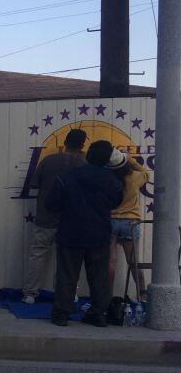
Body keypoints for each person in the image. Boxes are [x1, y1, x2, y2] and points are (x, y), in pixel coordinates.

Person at [44, 140, 123, 327]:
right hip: (99, 234)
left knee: (67, 275)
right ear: (107, 159)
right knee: (99, 278)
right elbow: (116, 202)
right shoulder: (112, 181)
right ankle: (98, 314)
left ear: (88, 155)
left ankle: (62, 314)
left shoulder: (68, 177)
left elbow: (52, 203)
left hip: (71, 233)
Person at [22, 128, 87, 304]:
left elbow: (34, 184)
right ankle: (67, 293)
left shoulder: (48, 160)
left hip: (45, 217)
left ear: (65, 142)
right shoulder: (84, 165)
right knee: (68, 258)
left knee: (38, 254)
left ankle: (30, 293)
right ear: (82, 145)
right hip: (71, 220)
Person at [106, 149, 149, 300]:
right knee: (134, 262)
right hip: (130, 222)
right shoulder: (134, 177)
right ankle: (142, 297)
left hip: (110, 221)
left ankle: (107, 298)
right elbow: (145, 171)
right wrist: (129, 159)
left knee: (110, 262)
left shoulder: (106, 178)